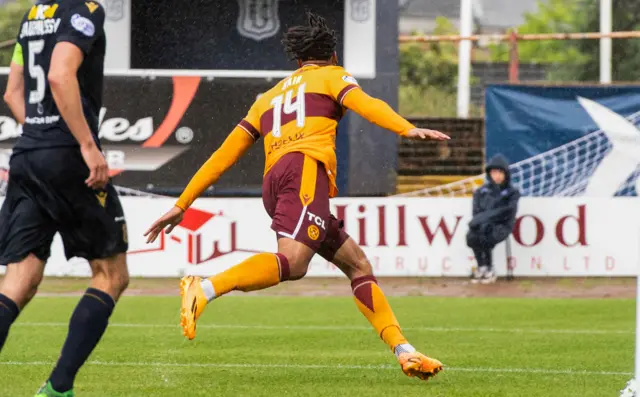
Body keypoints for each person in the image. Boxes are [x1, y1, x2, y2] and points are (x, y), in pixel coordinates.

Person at [145, 13, 448, 381]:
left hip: (276, 182)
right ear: (332, 56)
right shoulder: (333, 76)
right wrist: (407, 128)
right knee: (294, 263)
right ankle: (204, 287)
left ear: (299, 60)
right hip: (306, 171)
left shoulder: (269, 98)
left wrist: (182, 203)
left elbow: (224, 153)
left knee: (358, 266)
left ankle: (404, 351)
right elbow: (366, 103)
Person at [0, 1, 129, 396]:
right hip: (69, 158)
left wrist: (40, 133)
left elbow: (12, 94)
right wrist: (86, 145)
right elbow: (59, 74)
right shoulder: (84, 9)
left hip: (28, 156)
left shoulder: (33, 15)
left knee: (18, 280)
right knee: (111, 274)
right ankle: (58, 389)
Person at [467, 154, 520, 284]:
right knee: (472, 236)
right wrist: (480, 221)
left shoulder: (512, 192)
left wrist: (485, 218)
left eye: (500, 172)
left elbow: (507, 212)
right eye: (494, 172)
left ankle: (489, 268)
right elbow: (476, 211)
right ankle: (482, 267)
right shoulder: (481, 191)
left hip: (502, 226)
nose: (497, 175)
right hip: (482, 224)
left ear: (506, 174)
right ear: (489, 173)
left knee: (487, 235)